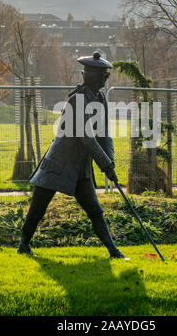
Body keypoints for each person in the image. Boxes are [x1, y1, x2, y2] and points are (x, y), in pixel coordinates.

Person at [17, 52, 126, 259]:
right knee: (38, 209)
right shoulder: (78, 100)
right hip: (58, 163)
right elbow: (87, 138)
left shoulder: (100, 98)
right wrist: (104, 165)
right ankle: (24, 244)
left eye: (107, 73)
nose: (106, 77)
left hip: (79, 167)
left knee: (95, 211)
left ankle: (113, 251)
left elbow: (104, 135)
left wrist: (109, 162)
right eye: (103, 73)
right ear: (91, 75)